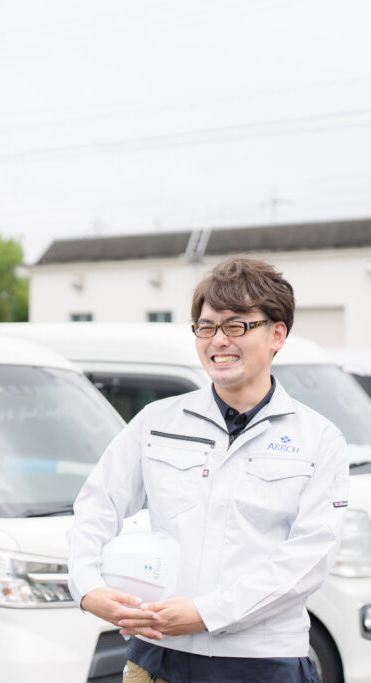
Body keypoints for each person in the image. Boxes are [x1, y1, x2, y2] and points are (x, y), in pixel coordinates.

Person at [68, 257, 350, 683]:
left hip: (263, 662)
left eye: (236, 326)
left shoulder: (319, 439)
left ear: (277, 333)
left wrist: (206, 613)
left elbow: (308, 559)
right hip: (156, 656)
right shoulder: (156, 422)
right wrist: (89, 587)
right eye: (206, 326)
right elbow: (96, 506)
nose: (218, 340)